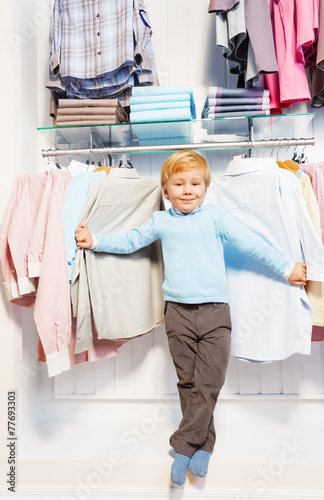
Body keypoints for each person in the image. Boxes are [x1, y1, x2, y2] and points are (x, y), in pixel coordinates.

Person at [75, 150, 307, 486]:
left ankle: (182, 444)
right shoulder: (161, 222)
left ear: (205, 187)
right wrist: (94, 240)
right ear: (166, 191)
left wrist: (287, 268)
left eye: (195, 183)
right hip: (177, 315)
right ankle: (205, 445)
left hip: (215, 314)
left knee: (209, 383)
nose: (188, 190)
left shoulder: (216, 217)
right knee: (188, 384)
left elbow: (253, 244)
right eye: (179, 184)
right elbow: (130, 241)